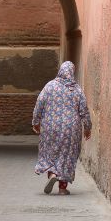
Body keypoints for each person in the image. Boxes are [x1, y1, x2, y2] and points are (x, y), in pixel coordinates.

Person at [32, 61, 92, 195]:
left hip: (50, 127)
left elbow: (39, 104)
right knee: (67, 155)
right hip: (71, 130)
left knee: (51, 151)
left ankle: (53, 174)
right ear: (72, 72)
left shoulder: (49, 86)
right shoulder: (77, 89)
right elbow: (84, 111)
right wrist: (88, 128)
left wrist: (36, 122)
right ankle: (62, 188)